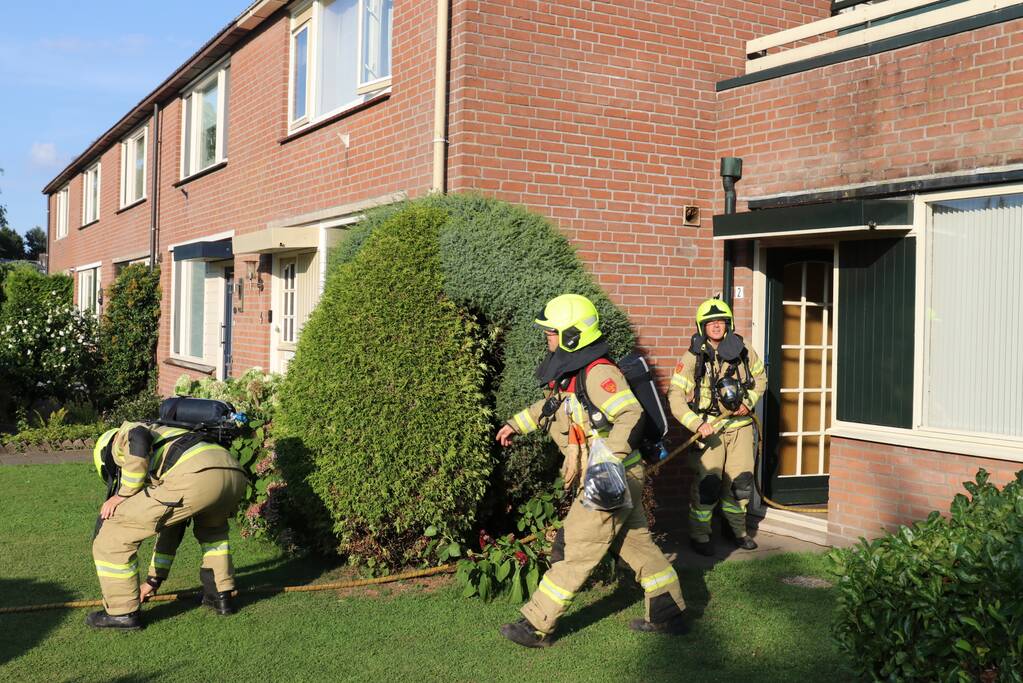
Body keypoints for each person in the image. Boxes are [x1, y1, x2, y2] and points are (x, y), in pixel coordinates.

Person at [496, 294, 687, 648]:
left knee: (576, 548)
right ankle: (669, 613)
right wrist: (515, 424)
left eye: (552, 332)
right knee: (639, 547)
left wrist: (608, 461)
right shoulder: (575, 371)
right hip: (615, 477)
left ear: (571, 335)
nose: (547, 338)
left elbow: (631, 414)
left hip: (611, 478)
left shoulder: (599, 373)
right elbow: (552, 406)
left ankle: (536, 624)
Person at [86, 407, 248, 630]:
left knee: (112, 533)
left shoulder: (124, 434)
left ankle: (121, 613)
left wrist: (122, 494)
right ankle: (219, 595)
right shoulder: (166, 434)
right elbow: (171, 528)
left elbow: (138, 438)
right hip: (232, 473)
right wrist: (153, 581)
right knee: (213, 533)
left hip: (194, 475)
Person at [667, 298, 767, 556]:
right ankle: (700, 535)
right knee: (708, 484)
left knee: (741, 482)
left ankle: (737, 531)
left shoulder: (744, 350)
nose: (716, 326)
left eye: (720, 321)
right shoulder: (692, 357)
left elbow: (760, 379)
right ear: (702, 326)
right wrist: (696, 424)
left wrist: (748, 402)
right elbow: (675, 396)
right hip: (710, 430)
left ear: (728, 324)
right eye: (710, 322)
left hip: (741, 427)